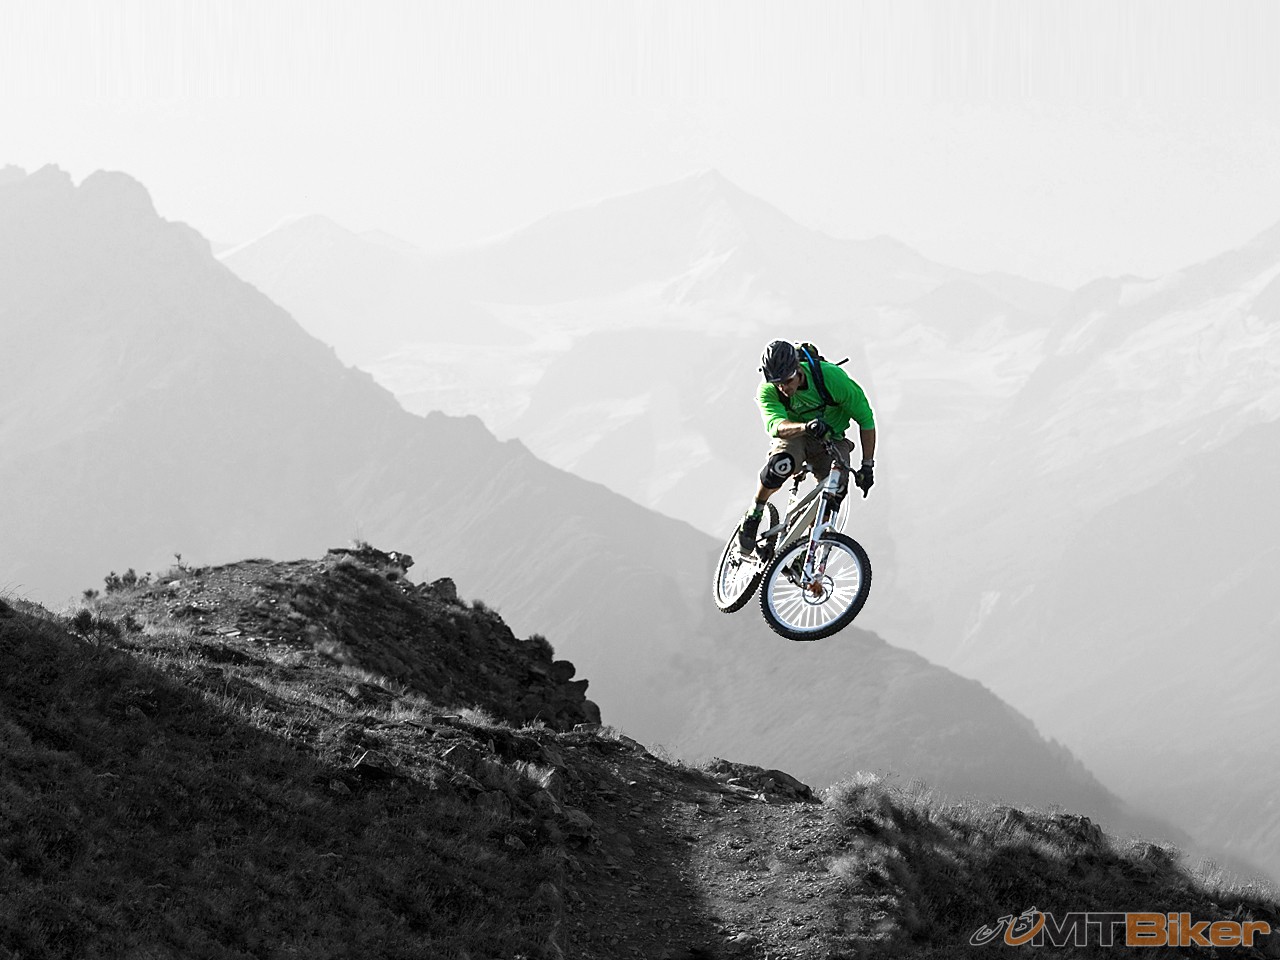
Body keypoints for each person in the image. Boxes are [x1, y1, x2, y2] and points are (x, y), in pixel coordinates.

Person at [738, 340, 877, 556]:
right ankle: (754, 514)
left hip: (832, 439)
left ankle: (802, 550)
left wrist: (867, 466)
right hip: (797, 435)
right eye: (777, 383)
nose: (784, 388)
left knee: (836, 489)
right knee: (780, 465)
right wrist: (805, 426)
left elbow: (866, 419)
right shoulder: (768, 390)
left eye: (787, 381)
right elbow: (776, 426)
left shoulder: (831, 378)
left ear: (798, 369)